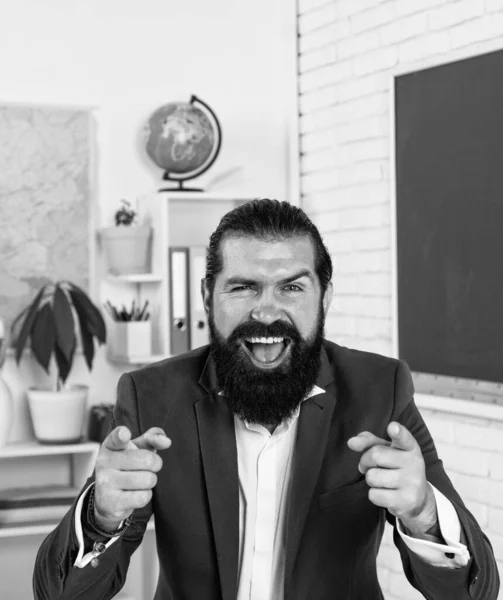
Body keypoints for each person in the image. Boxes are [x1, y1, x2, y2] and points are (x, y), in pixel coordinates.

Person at [33, 198, 499, 600]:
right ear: (207, 296)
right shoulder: (152, 397)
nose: (267, 311)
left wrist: (422, 514)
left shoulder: (381, 390)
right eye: (243, 287)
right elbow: (59, 594)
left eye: (292, 288)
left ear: (325, 297)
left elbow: (475, 590)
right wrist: (101, 516)